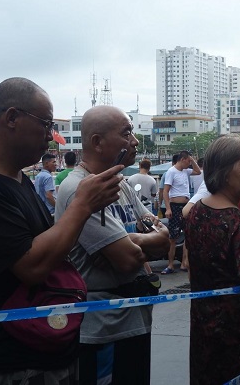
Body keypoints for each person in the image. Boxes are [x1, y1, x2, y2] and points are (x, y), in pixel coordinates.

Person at [0, 77, 124, 383]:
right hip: (13, 363)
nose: (51, 137)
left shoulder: (19, 179)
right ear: (12, 118)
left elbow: (50, 245)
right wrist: (81, 206)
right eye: (46, 124)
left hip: (54, 349)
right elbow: (32, 265)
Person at [55, 105, 169, 385]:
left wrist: (132, 240)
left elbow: (165, 238)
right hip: (103, 327)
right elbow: (129, 260)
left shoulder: (121, 183)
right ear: (97, 141)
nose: (135, 141)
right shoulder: (79, 190)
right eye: (126, 133)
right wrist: (140, 243)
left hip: (133, 318)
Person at [187, 135, 240, 384]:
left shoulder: (197, 212)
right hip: (236, 331)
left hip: (203, 327)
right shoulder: (238, 221)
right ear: (224, 174)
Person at [161, 150, 200, 274]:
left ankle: (184, 262)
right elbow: (165, 191)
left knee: (188, 235)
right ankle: (170, 264)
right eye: (188, 161)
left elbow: (198, 171)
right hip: (175, 205)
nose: (189, 164)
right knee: (173, 237)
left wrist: (192, 160)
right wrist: (168, 208)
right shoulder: (171, 172)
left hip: (186, 205)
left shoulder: (186, 171)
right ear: (182, 160)